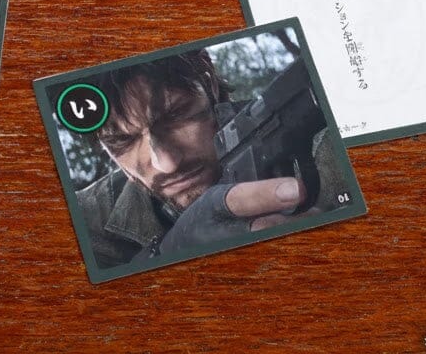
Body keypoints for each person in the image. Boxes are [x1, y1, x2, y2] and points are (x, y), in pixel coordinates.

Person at [74, 50, 342, 269]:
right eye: (123, 141)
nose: (166, 163)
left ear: (209, 84)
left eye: (176, 115)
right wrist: (169, 254)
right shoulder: (84, 220)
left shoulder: (329, 147)